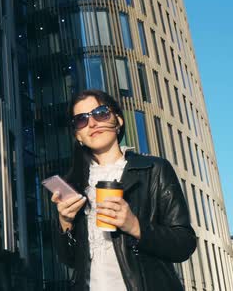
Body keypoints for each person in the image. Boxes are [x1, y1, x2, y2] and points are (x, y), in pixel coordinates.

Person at [51, 89, 196, 291]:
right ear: (78, 136)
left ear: (118, 122)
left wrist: (135, 226)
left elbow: (184, 244)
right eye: (81, 120)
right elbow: (69, 260)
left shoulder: (153, 169)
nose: (92, 123)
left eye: (101, 113)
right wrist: (65, 223)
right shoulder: (73, 186)